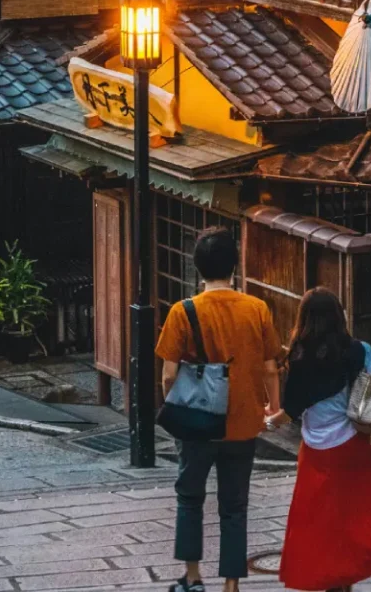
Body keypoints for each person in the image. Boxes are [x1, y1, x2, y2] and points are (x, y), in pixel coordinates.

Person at [156, 227, 282, 592]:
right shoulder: (255, 308)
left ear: (198, 267)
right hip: (243, 421)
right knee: (234, 505)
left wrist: (177, 406)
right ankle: (231, 584)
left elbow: (168, 375)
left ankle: (193, 577)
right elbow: (271, 366)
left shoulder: (183, 312)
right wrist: (272, 408)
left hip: (196, 422)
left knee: (190, 497)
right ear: (234, 266)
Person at [266, 287, 371, 592]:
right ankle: (345, 583)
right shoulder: (362, 352)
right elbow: (369, 400)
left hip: (315, 450)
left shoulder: (298, 356)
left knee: (317, 523)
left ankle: (327, 580)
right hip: (352, 446)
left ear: (305, 318)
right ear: (340, 317)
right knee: (352, 519)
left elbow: (290, 410)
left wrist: (267, 422)